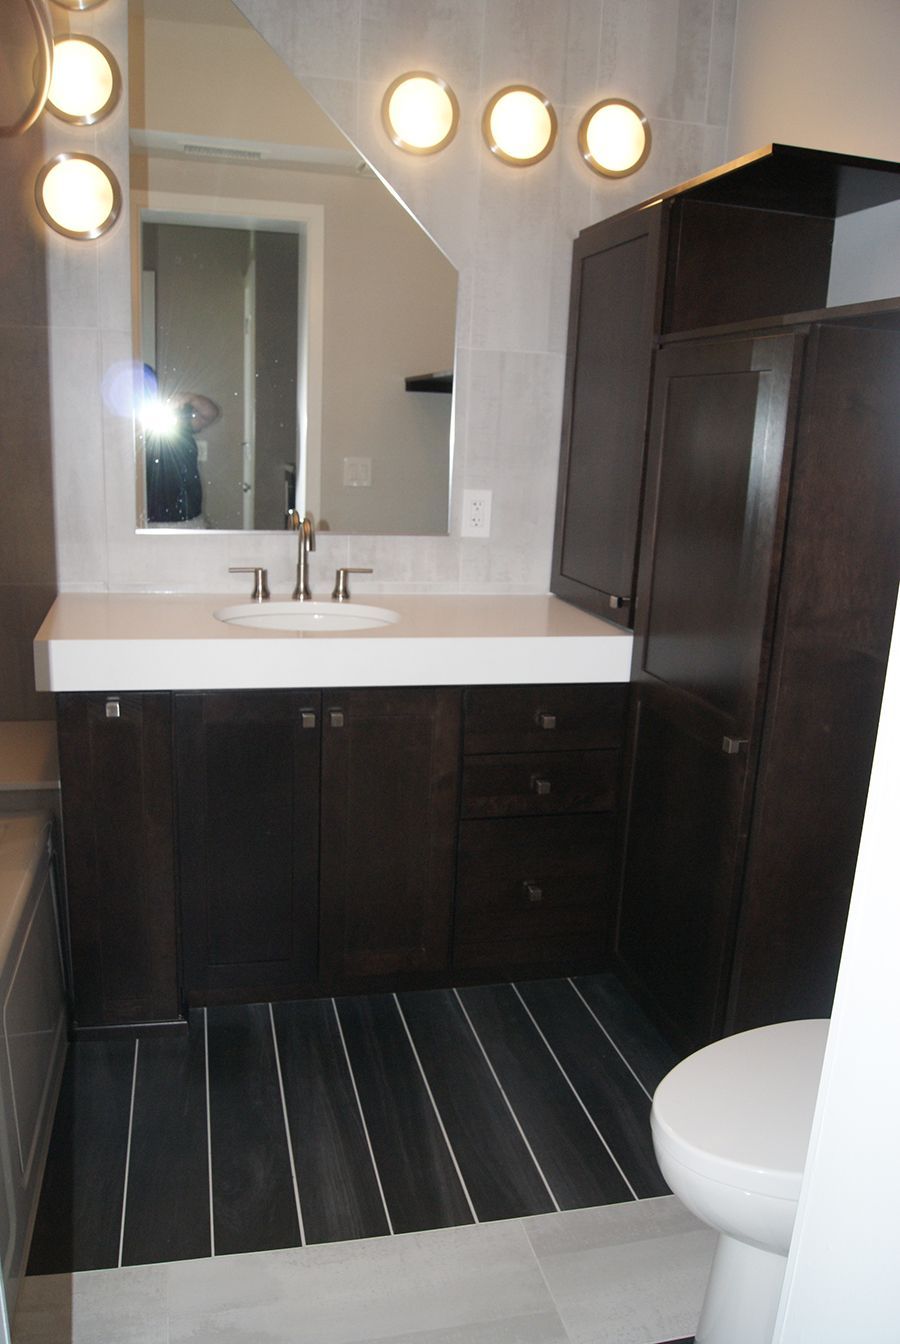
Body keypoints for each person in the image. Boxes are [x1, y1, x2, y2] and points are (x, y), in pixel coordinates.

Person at [143, 366, 220, 525]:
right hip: (149, 521)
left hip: (189, 517)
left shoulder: (175, 413)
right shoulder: (125, 426)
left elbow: (210, 414)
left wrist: (190, 398)